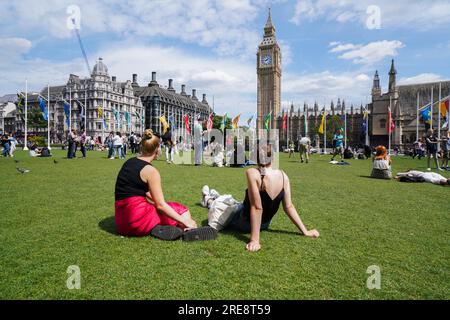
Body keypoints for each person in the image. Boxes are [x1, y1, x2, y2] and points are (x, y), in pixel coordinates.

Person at [201, 143, 319, 252]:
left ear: (256, 158)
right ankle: (214, 196)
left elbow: (257, 208)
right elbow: (289, 207)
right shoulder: (284, 176)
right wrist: (305, 231)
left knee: (224, 206)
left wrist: (255, 240)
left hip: (244, 223)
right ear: (273, 158)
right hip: (265, 224)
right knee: (234, 203)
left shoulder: (252, 173)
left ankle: (208, 199)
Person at [115, 129, 215, 240]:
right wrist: (185, 220)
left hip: (121, 221)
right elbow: (160, 205)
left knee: (166, 208)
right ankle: (188, 229)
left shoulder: (129, 162)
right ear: (157, 149)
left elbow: (143, 193)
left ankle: (157, 228)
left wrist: (162, 205)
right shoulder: (151, 171)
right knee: (180, 209)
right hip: (137, 220)